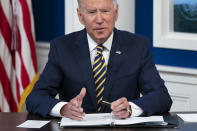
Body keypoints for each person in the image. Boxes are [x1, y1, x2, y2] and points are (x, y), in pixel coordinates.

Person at [26, 0, 172, 120]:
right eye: (91, 12)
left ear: (116, 13)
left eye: (105, 11)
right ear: (80, 16)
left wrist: (130, 108)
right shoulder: (62, 47)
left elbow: (161, 96)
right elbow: (35, 98)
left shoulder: (138, 46)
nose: (99, 20)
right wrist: (64, 109)